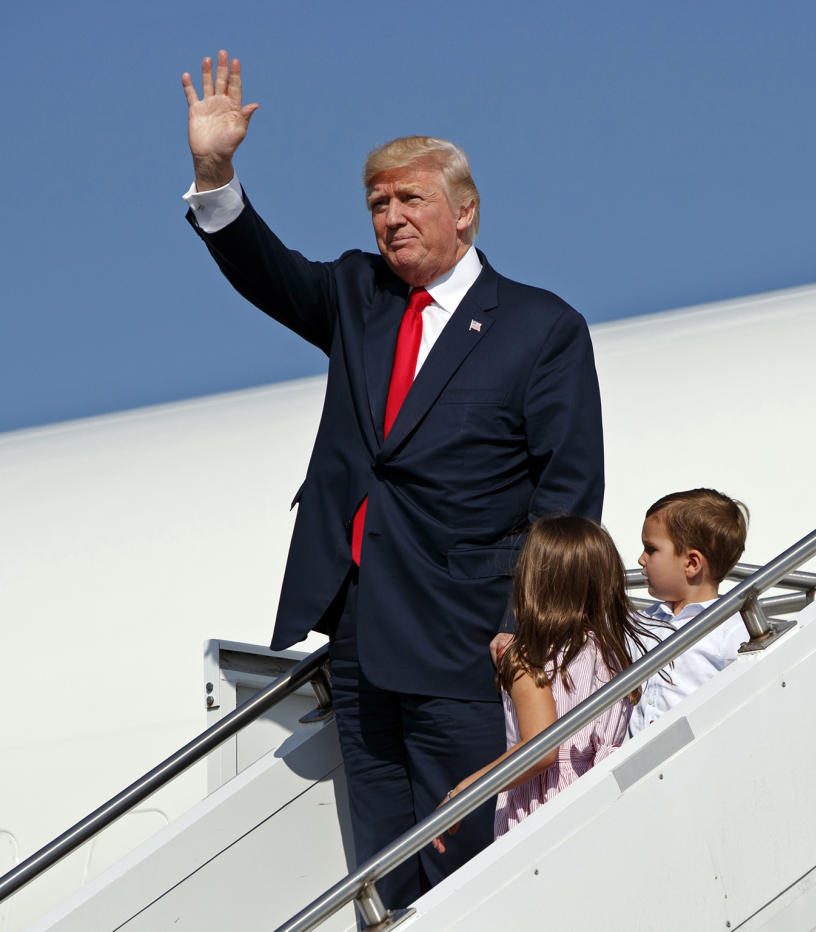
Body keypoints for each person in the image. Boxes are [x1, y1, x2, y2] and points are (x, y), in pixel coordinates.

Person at [179, 51, 605, 907]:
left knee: (478, 856)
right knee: (384, 868)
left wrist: (523, 630)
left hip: (470, 638)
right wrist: (215, 172)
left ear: (466, 210)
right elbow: (265, 270)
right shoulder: (358, 296)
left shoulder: (540, 327)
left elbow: (568, 493)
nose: (391, 217)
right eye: (379, 203)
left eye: (411, 199)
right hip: (363, 629)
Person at [433, 516, 653, 849]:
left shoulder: (528, 659)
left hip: (544, 809)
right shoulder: (609, 650)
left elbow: (541, 750)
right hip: (602, 796)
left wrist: (465, 791)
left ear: (533, 583)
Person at [629, 488, 749, 736]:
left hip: (695, 765)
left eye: (651, 549)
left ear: (692, 564)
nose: (641, 559)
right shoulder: (642, 621)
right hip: (633, 765)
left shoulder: (731, 631)